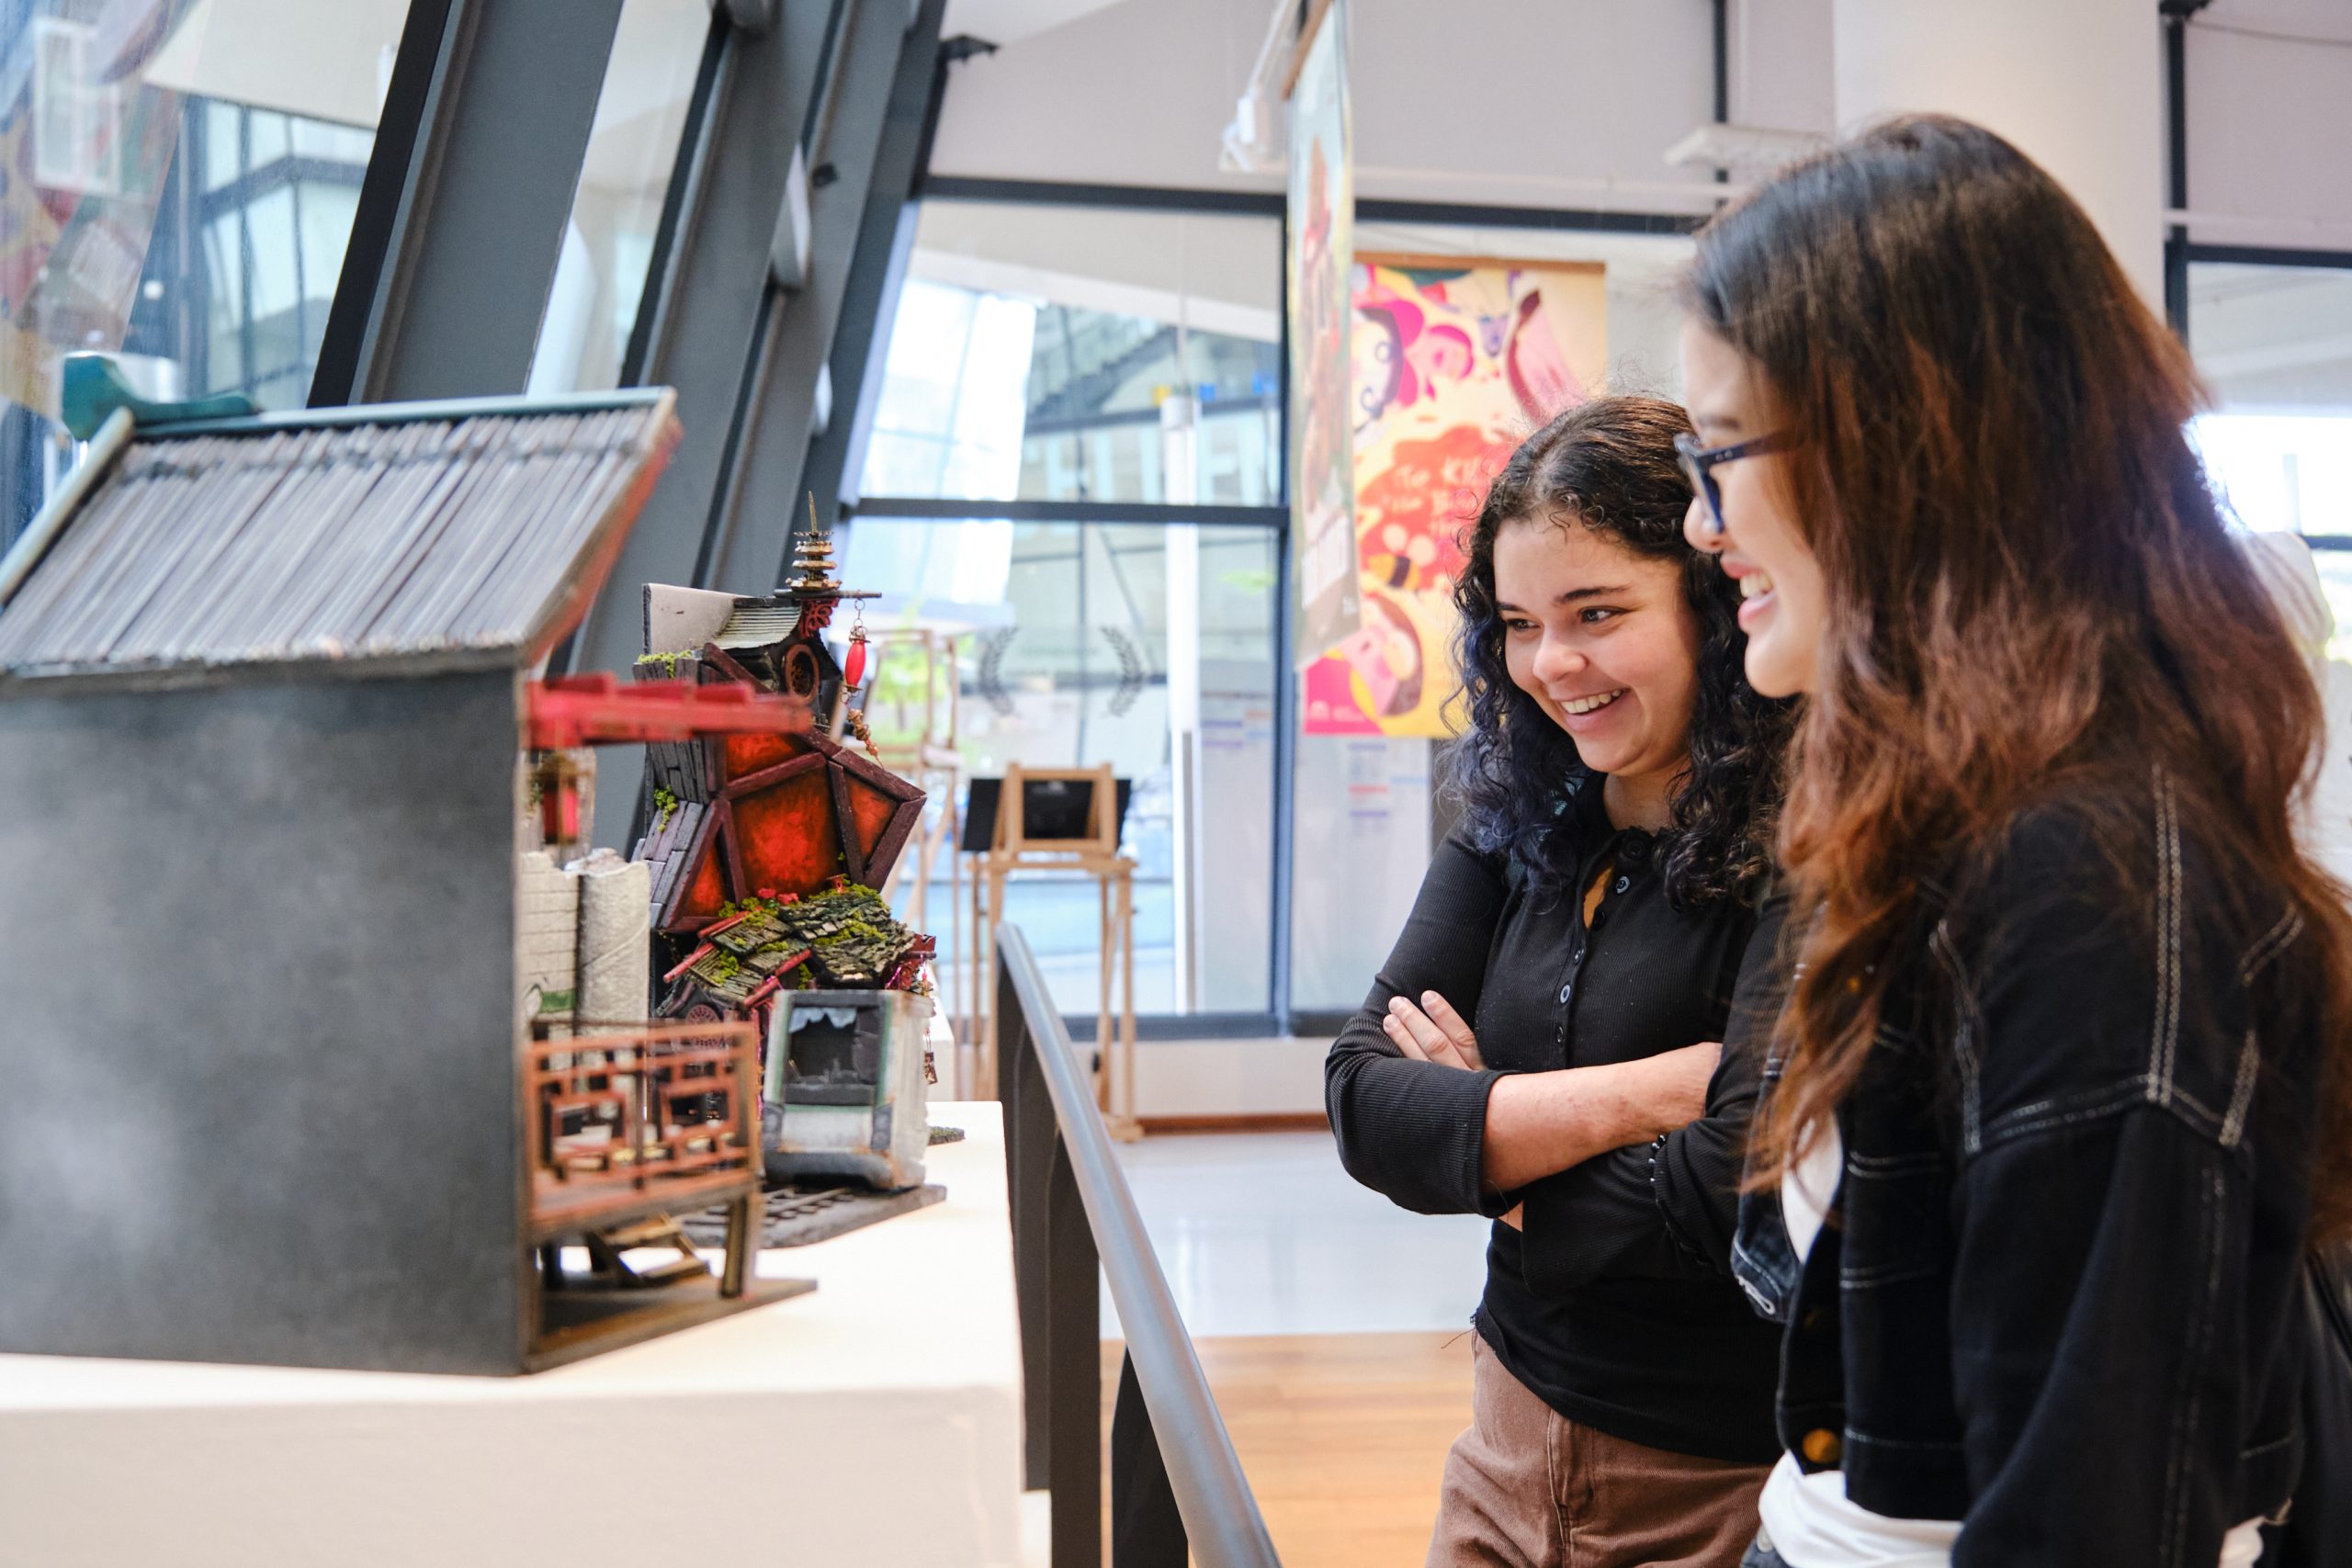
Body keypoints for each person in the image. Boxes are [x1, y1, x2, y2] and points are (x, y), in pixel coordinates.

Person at [1674, 114, 2352, 1568]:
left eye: (1719, 449)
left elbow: (2091, 1511)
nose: (1699, 517)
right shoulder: (1940, 812)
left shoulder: (2094, 880)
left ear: (1900, 445)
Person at [1326, 395, 1796, 1567]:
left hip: (1725, 1488)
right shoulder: (1519, 822)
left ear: (1713, 601)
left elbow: (1738, 1195)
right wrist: (1652, 1096)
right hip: (1500, 1442)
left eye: (1597, 613)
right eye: (1519, 623)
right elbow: (1363, 1099)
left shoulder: (1812, 845)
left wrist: (1483, 1131)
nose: (1551, 663)